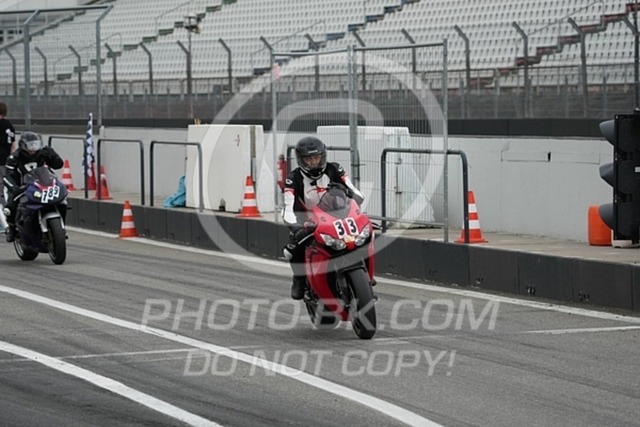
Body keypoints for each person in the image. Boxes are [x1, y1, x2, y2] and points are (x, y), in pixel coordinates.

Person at [282, 136, 364, 300]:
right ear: (300, 160)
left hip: (336, 217)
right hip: (308, 222)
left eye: (316, 158)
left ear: (323, 156)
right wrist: (296, 227)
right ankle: (299, 279)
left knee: (366, 235)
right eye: (308, 159)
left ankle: (365, 272)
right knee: (290, 251)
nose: (313, 162)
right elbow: (288, 208)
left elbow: (358, 195)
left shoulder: (335, 169)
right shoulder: (292, 179)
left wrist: (347, 192)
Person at [3, 131, 64, 242]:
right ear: (23, 145)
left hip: (41, 184)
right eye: (30, 145)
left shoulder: (43, 153)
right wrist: (14, 187)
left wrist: (53, 155)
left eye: (36, 144)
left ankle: (60, 225)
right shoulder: (14, 157)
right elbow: (7, 176)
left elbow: (58, 165)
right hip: (21, 186)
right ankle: (12, 228)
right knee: (11, 206)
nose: (33, 148)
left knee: (62, 200)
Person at [0, 102, 16, 211]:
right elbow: (13, 145)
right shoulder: (10, 125)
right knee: (7, 183)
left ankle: (3, 207)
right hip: (6, 160)